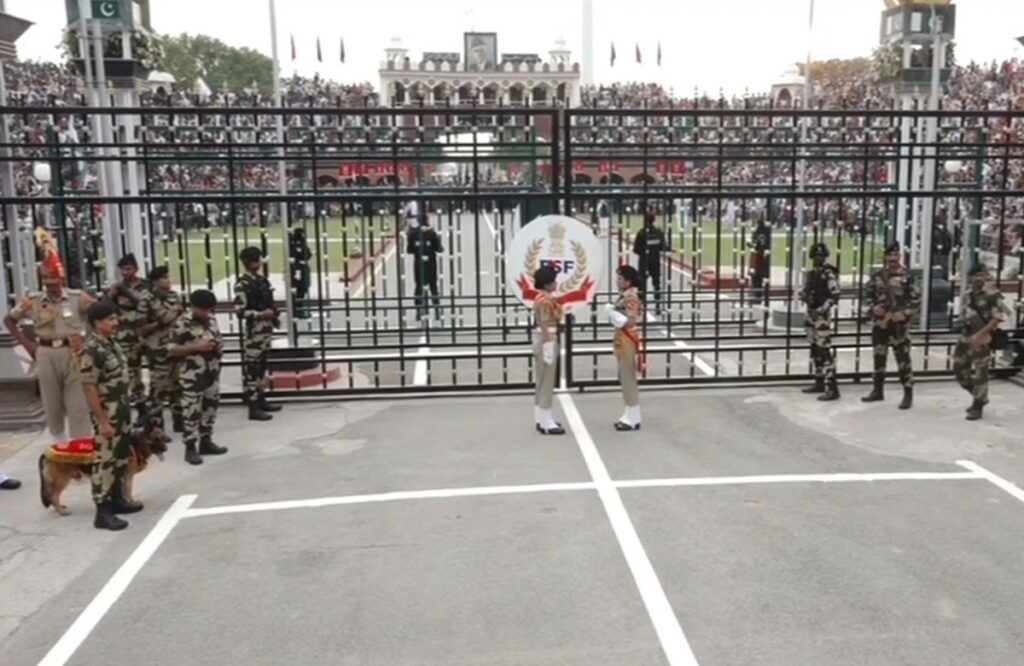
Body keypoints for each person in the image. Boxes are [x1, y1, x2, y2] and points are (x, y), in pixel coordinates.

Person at [4, 229, 94, 445]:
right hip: (45, 352)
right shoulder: (33, 300)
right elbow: (9, 320)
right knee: (51, 400)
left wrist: (89, 341)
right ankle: (58, 442)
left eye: (55, 283)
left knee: (77, 401)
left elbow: (98, 314)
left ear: (61, 279)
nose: (52, 287)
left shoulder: (76, 297)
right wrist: (26, 344)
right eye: (48, 283)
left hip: (73, 350)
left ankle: (81, 442)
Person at [79, 300, 139, 531]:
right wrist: (103, 420)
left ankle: (118, 499)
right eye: (111, 319)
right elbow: (90, 387)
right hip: (108, 410)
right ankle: (102, 510)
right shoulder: (92, 350)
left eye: (116, 318)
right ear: (97, 323)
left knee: (121, 455)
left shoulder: (111, 343)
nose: (116, 322)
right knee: (106, 459)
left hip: (121, 407)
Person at [169, 290, 227, 465]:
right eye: (204, 310)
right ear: (194, 307)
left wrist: (217, 346)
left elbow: (218, 338)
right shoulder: (181, 323)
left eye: (209, 310)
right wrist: (196, 347)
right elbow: (171, 350)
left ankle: (206, 441)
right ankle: (190, 447)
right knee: (191, 411)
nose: (207, 313)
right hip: (192, 375)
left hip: (212, 372)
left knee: (210, 408)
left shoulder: (211, 319)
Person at [862, 241, 920, 410]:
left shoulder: (907, 277)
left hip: (898, 325)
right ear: (886, 256)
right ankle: (877, 390)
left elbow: (916, 301)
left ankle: (908, 393)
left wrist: (905, 314)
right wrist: (874, 308)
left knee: (903, 359)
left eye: (896, 255)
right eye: (890, 255)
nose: (893, 258)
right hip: (880, 324)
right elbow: (868, 295)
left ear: (900, 256)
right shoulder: (879, 276)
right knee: (879, 358)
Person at [953, 264, 1010, 421]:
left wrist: (981, 334)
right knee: (959, 369)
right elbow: (964, 314)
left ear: (986, 275)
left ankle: (977, 404)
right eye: (974, 276)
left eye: (980, 275)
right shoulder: (968, 293)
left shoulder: (992, 293)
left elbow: (997, 318)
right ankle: (979, 396)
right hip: (966, 337)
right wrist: (960, 323)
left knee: (980, 373)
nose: (977, 279)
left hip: (982, 338)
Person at [234, 247, 281, 421]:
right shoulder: (243, 284)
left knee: (262, 368)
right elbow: (240, 312)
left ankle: (261, 399)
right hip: (255, 334)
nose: (259, 263)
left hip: (265, 332)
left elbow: (270, 302)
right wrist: (261, 314)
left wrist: (274, 315)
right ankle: (253, 406)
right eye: (257, 260)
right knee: (253, 370)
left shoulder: (262, 281)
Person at [139, 266, 184, 436]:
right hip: (157, 349)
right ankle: (157, 427)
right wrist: (161, 322)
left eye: (168, 276)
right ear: (156, 281)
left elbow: (180, 317)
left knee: (178, 385)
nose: (168, 280)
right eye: (164, 278)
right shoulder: (147, 299)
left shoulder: (174, 296)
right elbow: (141, 328)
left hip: (175, 347)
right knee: (158, 389)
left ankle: (179, 421)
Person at [799, 242, 841, 401]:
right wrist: (805, 295)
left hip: (821, 316)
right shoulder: (812, 273)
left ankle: (832, 387)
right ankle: (819, 381)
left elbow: (835, 295)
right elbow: (808, 291)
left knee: (824, 350)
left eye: (821, 256)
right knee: (815, 348)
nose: (818, 258)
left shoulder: (828, 273)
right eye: (815, 256)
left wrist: (821, 310)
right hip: (811, 313)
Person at [106, 253, 149, 407]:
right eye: (122, 270)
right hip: (126, 335)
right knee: (132, 370)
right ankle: (138, 399)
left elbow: (144, 302)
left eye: (128, 269)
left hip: (145, 333)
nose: (125, 273)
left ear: (136, 269)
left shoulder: (145, 286)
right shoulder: (117, 288)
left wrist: (126, 290)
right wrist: (111, 295)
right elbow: (106, 309)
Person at [605, 265, 644, 431]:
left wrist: (612, 314)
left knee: (628, 377)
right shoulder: (625, 295)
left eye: (620, 278)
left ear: (628, 281)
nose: (617, 281)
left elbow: (630, 321)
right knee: (624, 376)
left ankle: (634, 416)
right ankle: (629, 412)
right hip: (621, 338)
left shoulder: (631, 296)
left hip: (627, 339)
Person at [532, 266, 565, 435]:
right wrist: (549, 344)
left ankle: (540, 417)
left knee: (542, 379)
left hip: (544, 338)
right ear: (547, 283)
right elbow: (545, 324)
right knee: (546, 381)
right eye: (553, 280)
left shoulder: (543, 298)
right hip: (547, 338)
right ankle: (546, 422)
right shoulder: (545, 301)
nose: (556, 283)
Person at [407, 215, 443, 320]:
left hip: (418, 263)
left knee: (419, 286)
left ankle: (418, 311)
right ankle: (437, 310)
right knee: (433, 286)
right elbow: (439, 249)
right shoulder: (432, 233)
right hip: (431, 263)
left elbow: (409, 250)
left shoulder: (413, 234)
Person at [633, 211, 666, 311]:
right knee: (657, 284)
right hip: (655, 261)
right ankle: (658, 305)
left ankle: (642, 306)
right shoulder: (659, 232)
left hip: (644, 261)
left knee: (642, 285)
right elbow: (663, 247)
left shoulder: (641, 233)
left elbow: (636, 250)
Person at [289, 228, 312, 319]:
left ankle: (298, 309)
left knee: (299, 290)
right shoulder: (300, 244)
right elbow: (307, 254)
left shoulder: (292, 243)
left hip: (297, 268)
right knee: (301, 289)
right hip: (300, 268)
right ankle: (299, 310)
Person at [750, 217, 771, 302]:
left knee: (757, 277)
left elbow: (754, 243)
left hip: (758, 257)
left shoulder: (758, 232)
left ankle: (758, 295)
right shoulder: (766, 232)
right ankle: (759, 294)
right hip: (761, 257)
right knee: (760, 276)